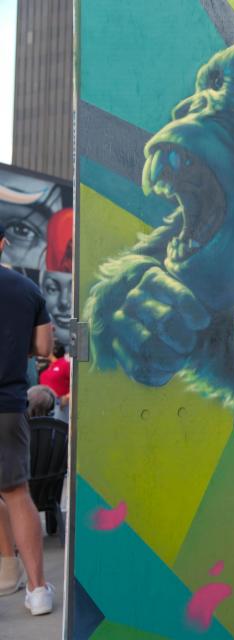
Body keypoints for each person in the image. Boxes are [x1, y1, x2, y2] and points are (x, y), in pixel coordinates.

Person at [0, 222, 55, 614]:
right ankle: (37, 591)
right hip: (7, 404)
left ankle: (6, 572)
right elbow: (43, 347)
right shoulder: (28, 290)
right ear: (3, 244)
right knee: (17, 493)